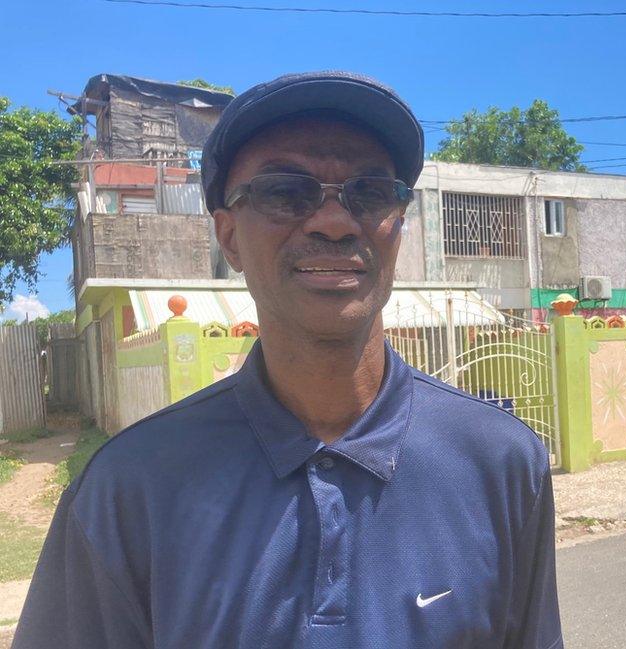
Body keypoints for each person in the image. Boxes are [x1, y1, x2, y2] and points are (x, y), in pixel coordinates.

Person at [14, 71, 562, 649]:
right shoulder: (130, 490)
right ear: (228, 237)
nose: (333, 221)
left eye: (371, 192)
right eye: (283, 191)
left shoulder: (501, 462)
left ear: (398, 227)